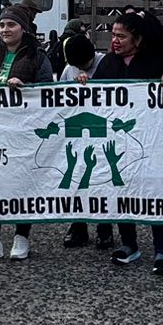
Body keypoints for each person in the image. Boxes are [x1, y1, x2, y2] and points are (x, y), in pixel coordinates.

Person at [93, 8, 163, 272]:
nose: (115, 41)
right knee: (122, 192)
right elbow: (94, 99)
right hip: (118, 143)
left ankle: (162, 250)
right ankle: (129, 245)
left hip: (153, 142)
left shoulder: (156, 62)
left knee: (157, 193)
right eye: (113, 35)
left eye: (121, 36)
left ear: (138, 40)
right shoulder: (108, 63)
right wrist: (84, 84)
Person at [0, 9, 53, 264]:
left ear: (23, 29)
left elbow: (48, 90)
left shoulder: (37, 56)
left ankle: (22, 236)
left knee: (22, 183)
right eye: (2, 25)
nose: (5, 30)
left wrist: (27, 88)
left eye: (11, 25)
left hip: (23, 131)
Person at [57, 29, 114, 250]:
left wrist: (93, 83)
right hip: (76, 132)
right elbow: (57, 96)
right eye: (77, 65)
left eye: (85, 64)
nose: (81, 69)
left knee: (103, 179)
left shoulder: (106, 63)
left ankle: (104, 228)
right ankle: (77, 226)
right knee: (77, 179)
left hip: (102, 130)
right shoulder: (69, 68)